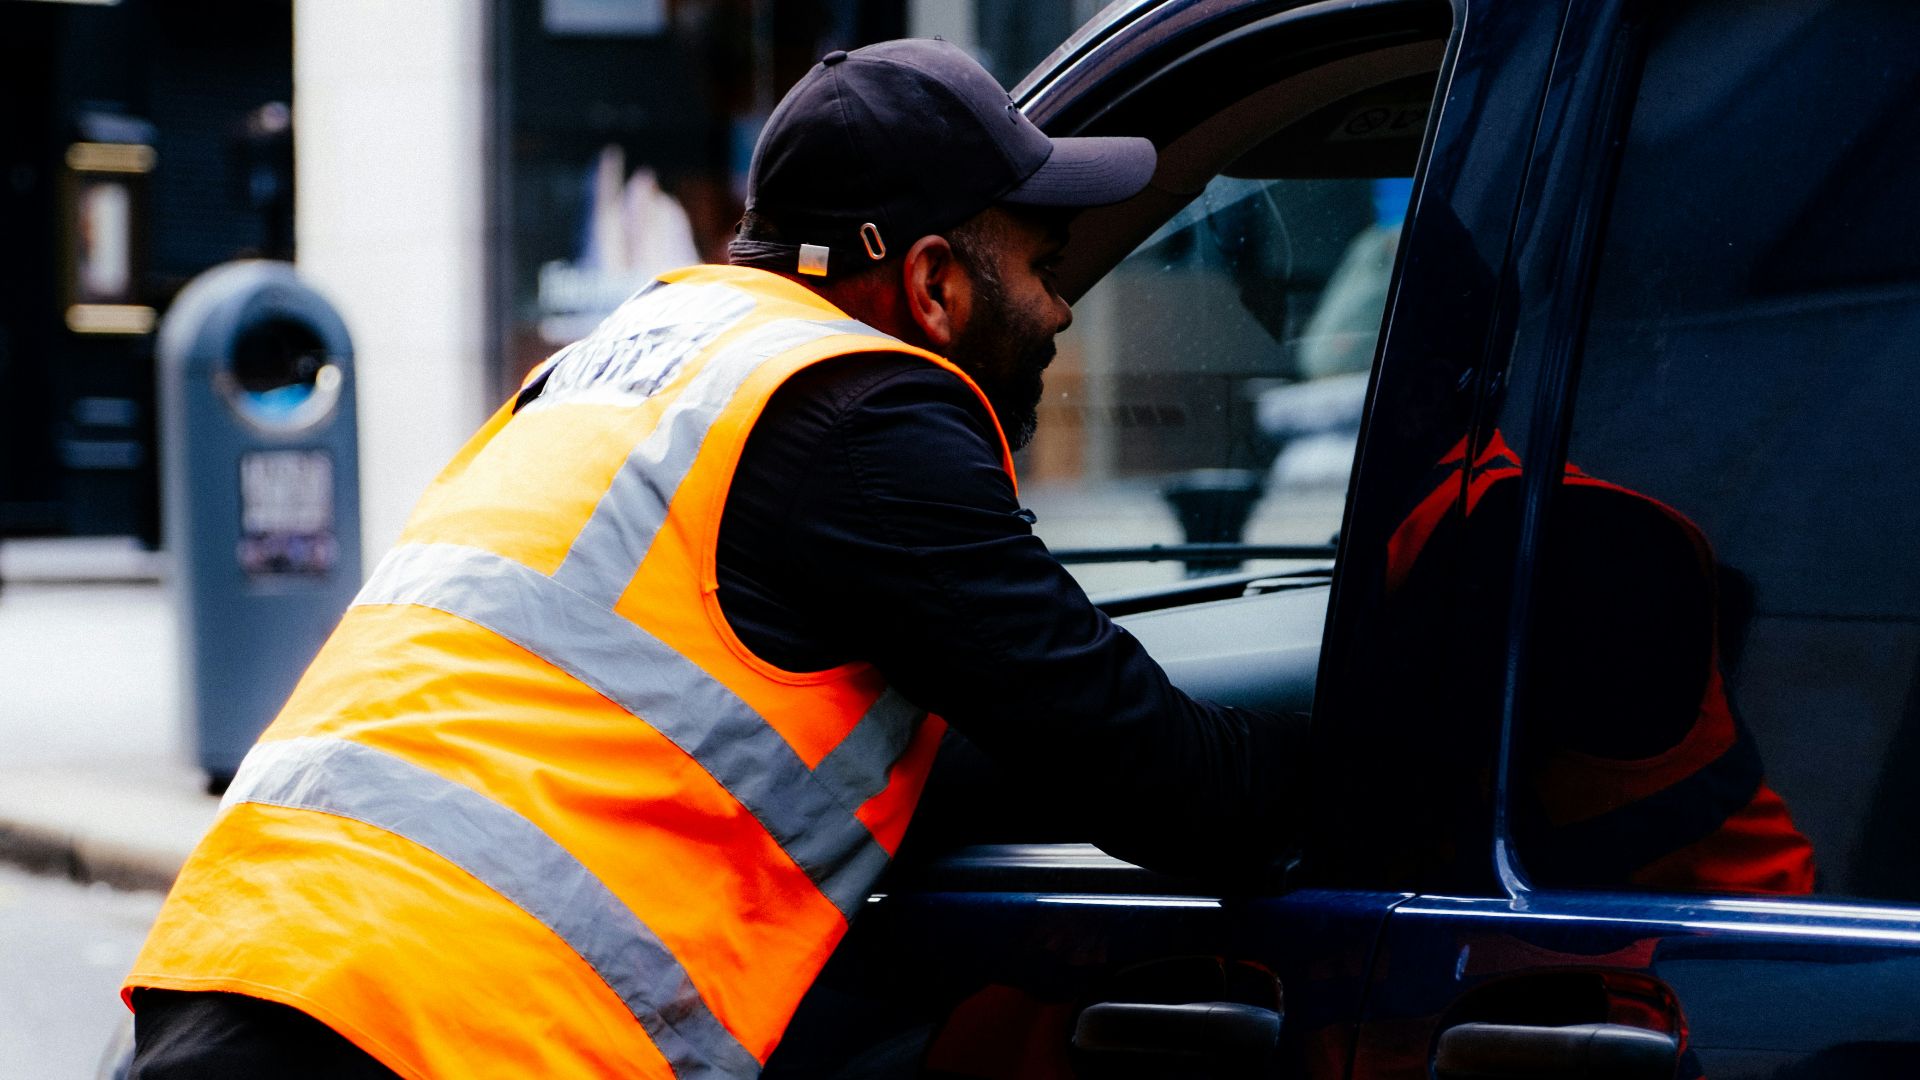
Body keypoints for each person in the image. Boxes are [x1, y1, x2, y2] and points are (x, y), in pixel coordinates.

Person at [121, 39, 1301, 1079]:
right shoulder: (864, 415)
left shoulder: (622, 360)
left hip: (231, 970)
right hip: (441, 1031)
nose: (1059, 311)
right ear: (935, 283)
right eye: (1043, 264)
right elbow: (1138, 760)